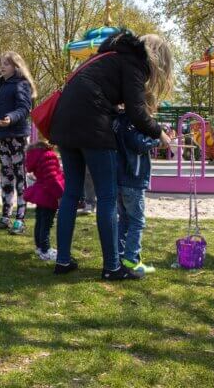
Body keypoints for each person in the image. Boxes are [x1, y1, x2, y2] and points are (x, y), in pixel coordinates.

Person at [49, 31, 173, 280]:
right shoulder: (133, 62)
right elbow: (137, 112)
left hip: (63, 124)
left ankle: (62, 260)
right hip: (93, 126)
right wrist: (161, 134)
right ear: (157, 58)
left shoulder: (105, 57)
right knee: (106, 196)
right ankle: (112, 267)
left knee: (71, 193)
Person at [0, 51, 36, 235]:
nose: (2, 67)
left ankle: (20, 219)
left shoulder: (21, 84)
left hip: (17, 137)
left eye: (6, 63)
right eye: (1, 63)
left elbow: (24, 109)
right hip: (1, 139)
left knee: (20, 178)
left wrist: (10, 118)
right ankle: (5, 217)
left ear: (16, 67)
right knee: (5, 178)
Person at [113, 110, 161, 276]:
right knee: (137, 222)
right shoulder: (132, 122)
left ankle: (121, 257)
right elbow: (138, 143)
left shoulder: (119, 120)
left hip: (121, 179)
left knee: (124, 220)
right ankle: (131, 261)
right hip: (132, 179)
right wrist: (157, 139)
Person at [24, 141, 64, 261]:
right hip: (48, 194)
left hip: (41, 193)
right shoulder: (48, 155)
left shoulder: (36, 155)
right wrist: (60, 194)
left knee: (40, 221)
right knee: (46, 224)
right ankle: (45, 250)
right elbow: (52, 178)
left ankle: (39, 247)